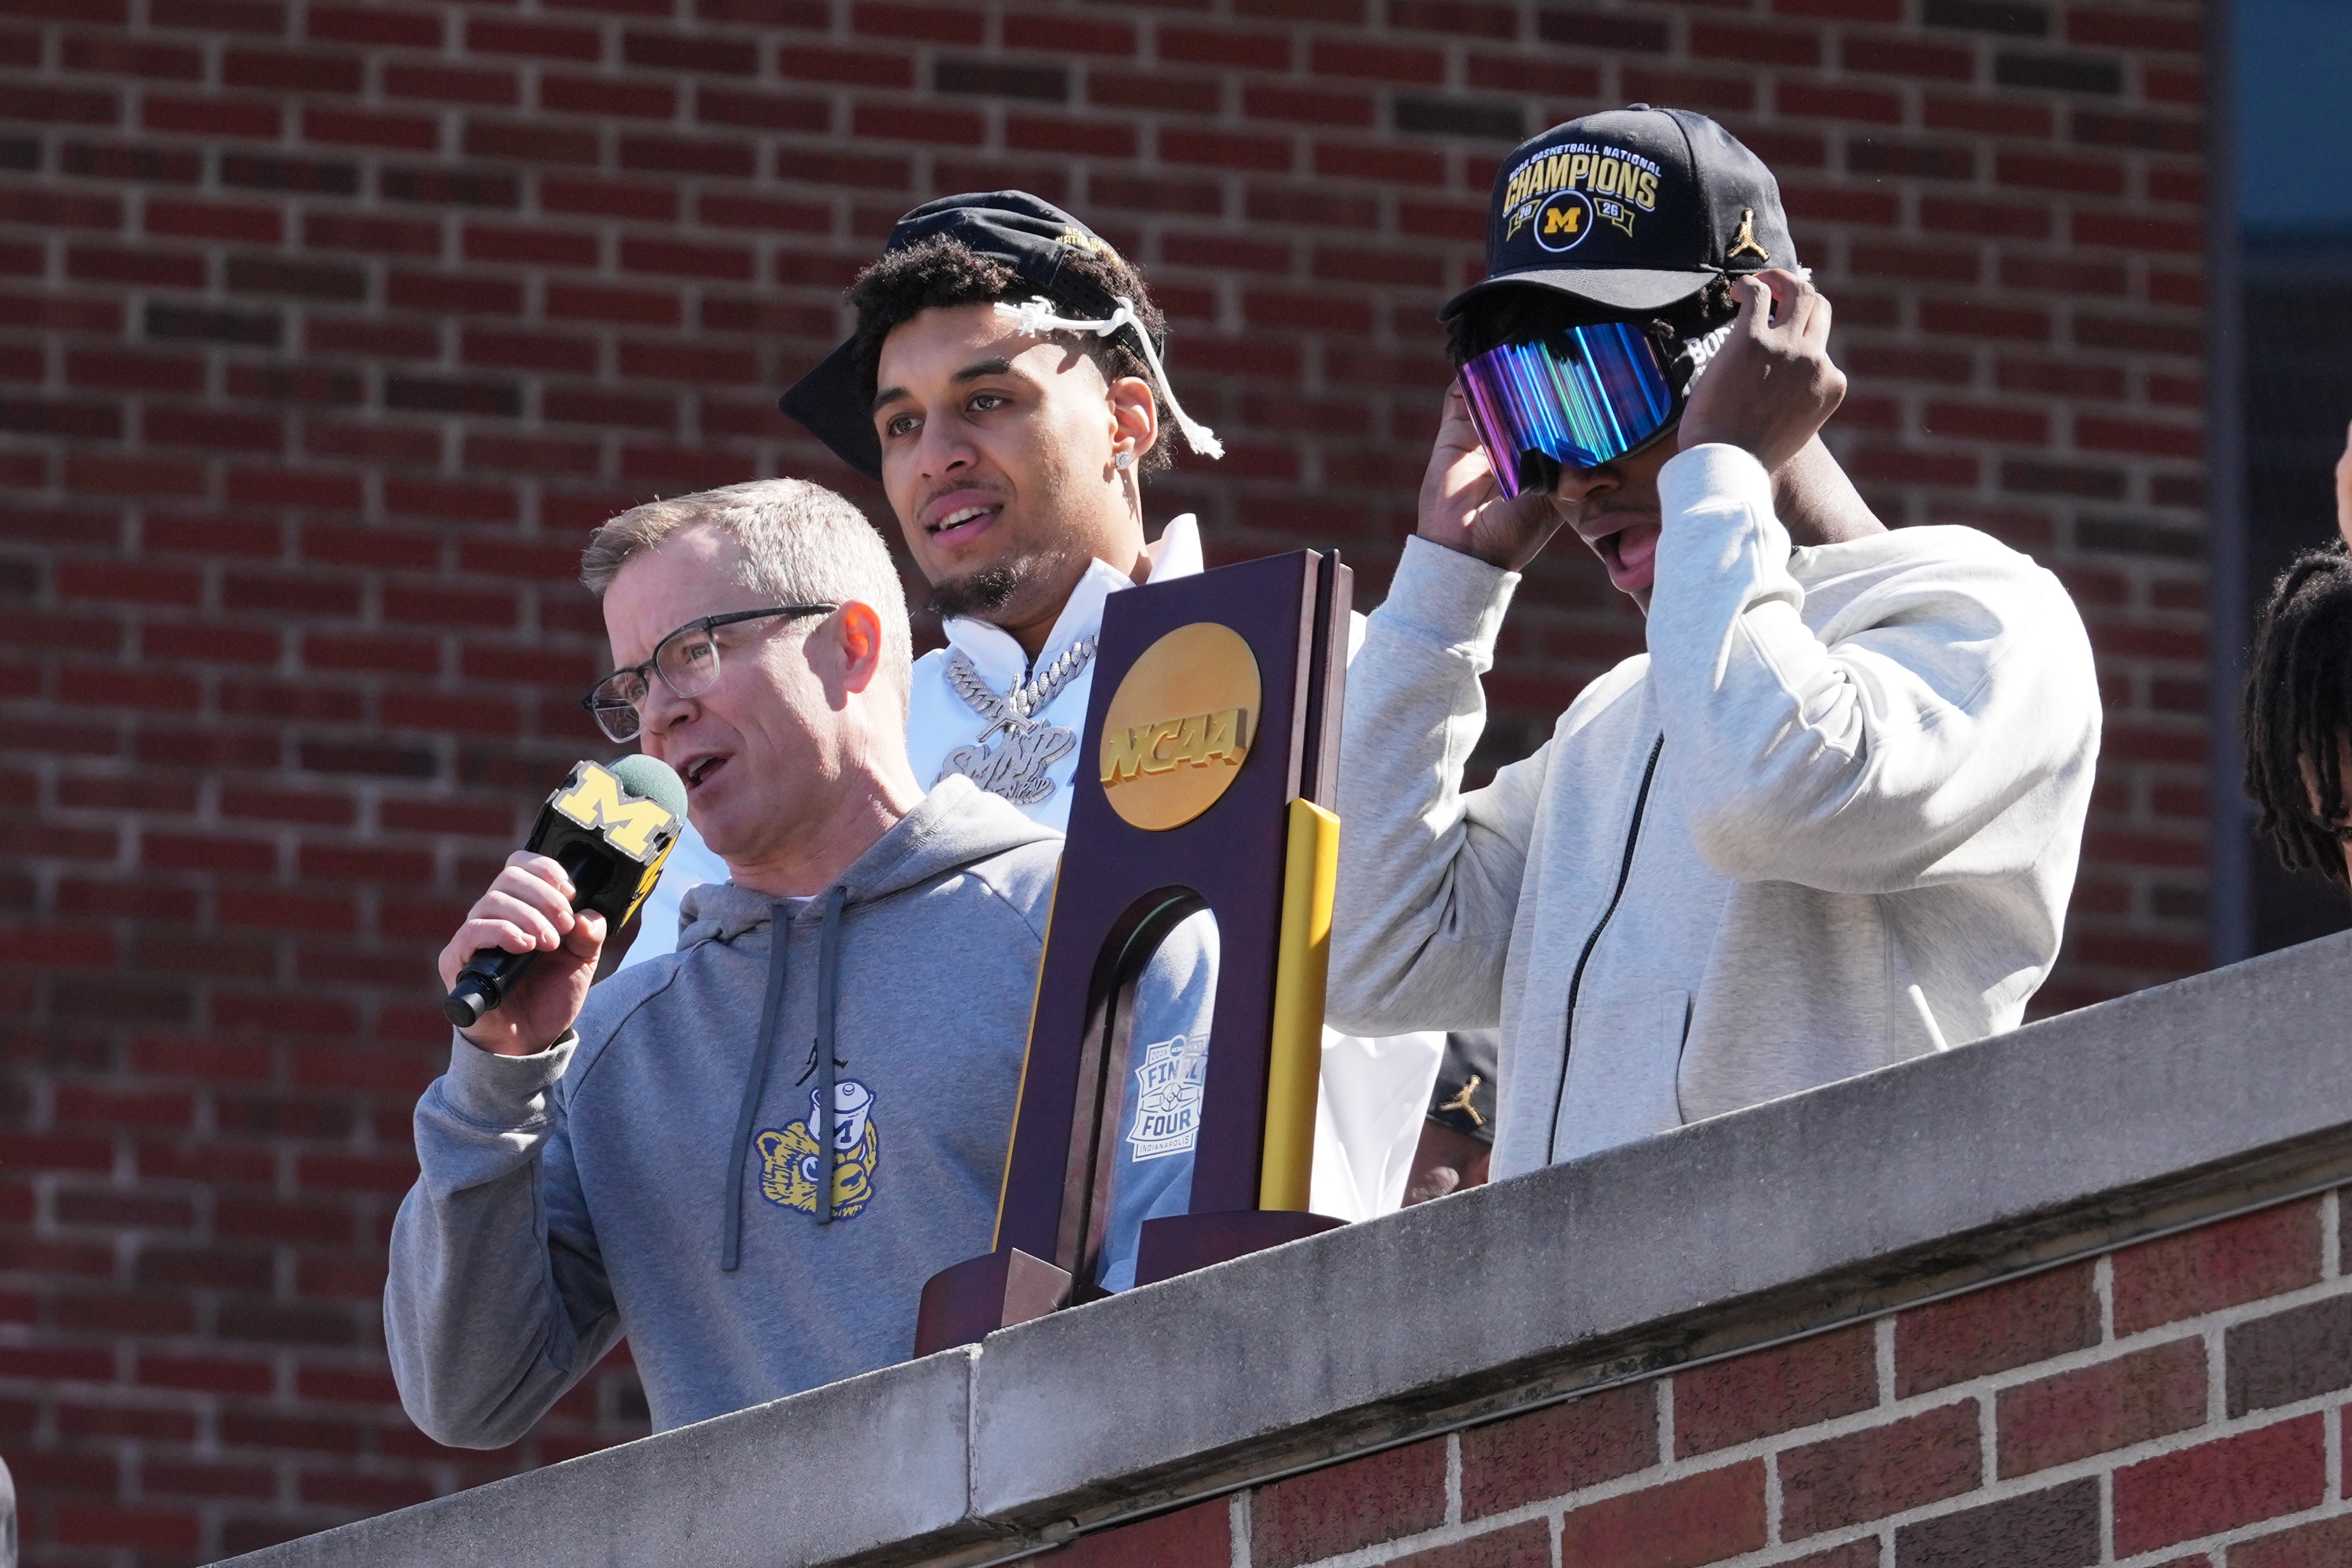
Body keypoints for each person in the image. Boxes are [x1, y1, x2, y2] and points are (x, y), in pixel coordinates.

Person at [1329, 108, 2102, 1176]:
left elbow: (1764, 796)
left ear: (1761, 339)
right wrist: (1443, 590)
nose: (1570, 478)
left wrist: (1720, 470)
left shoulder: (1987, 615)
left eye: (1600, 389)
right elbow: (1370, 960)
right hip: (1567, 1338)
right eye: (1526, 412)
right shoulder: (1613, 719)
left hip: (1823, 1328)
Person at [384, 480, 1211, 1445]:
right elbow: (464, 1396)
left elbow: (1181, 1317)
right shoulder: (614, 1042)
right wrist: (496, 1076)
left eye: (692, 653)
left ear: (851, 646)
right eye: (633, 684)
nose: (659, 714)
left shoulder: (1099, 924)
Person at [778, 192, 1443, 1221]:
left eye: (987, 398)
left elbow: (1439, 994)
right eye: (900, 422)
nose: (934, 452)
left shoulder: (1312, 665)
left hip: (1252, 1311)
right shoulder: (866, 735)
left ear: (1128, 421)